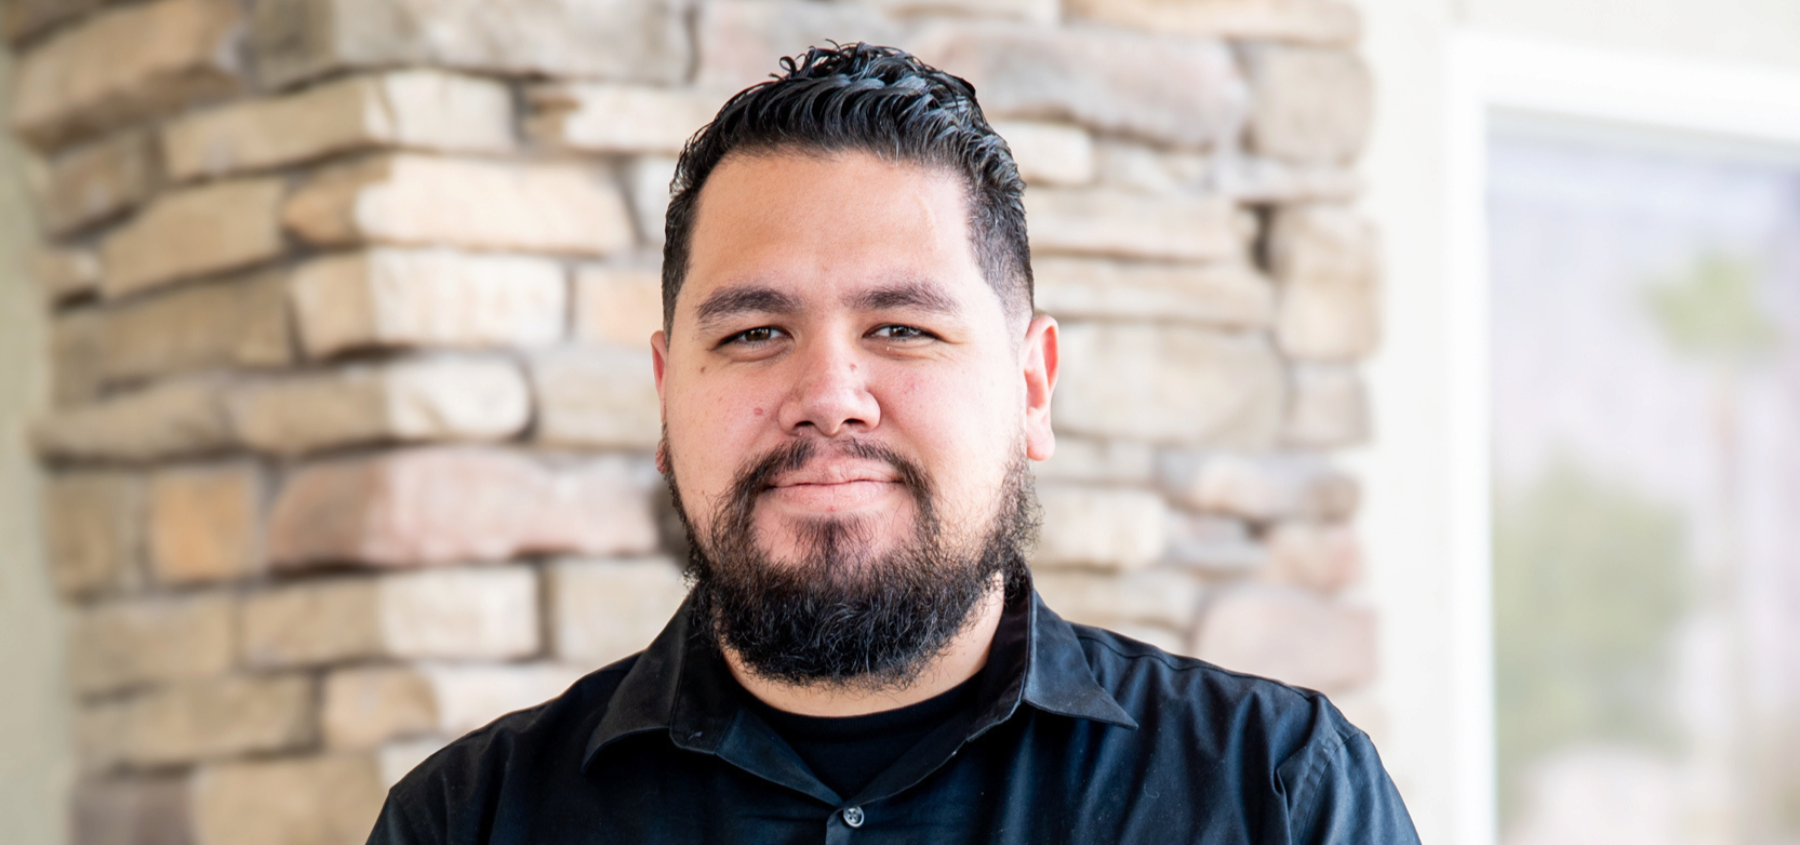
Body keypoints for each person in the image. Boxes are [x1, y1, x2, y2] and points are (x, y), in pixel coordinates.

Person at [366, 43, 1420, 844]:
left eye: (902, 328)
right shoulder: (467, 819)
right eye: (754, 332)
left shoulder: (1276, 795)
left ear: (1031, 384)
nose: (829, 394)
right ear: (664, 394)